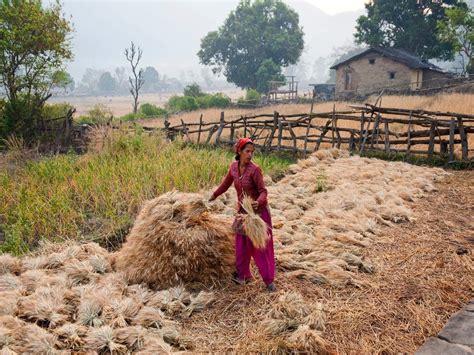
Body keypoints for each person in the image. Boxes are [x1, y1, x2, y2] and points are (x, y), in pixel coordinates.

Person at [209, 138, 276, 292]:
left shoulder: (255, 170)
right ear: (239, 151)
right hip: (242, 212)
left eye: (252, 152)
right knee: (241, 245)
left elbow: (263, 191)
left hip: (257, 214)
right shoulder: (233, 167)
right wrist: (213, 196)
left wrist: (258, 202)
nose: (250, 155)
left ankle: (268, 281)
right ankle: (243, 276)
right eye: (247, 151)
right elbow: (225, 184)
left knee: (260, 247)